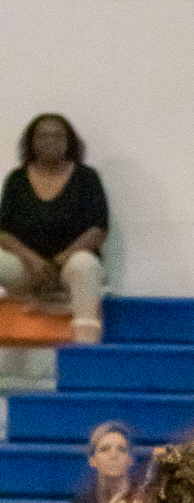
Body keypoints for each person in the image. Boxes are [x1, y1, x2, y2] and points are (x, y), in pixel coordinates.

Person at [0, 113, 109, 343]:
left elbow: (98, 229)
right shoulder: (17, 180)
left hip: (70, 266)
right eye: (43, 135)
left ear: (69, 141)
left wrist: (59, 261)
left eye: (57, 135)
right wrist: (32, 260)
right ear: (31, 141)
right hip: (28, 268)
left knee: (84, 264)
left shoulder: (86, 178)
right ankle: (29, 299)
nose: (50, 140)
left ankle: (86, 347)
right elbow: (4, 232)